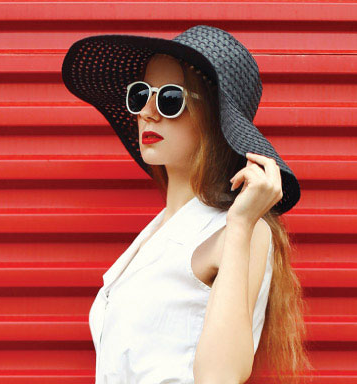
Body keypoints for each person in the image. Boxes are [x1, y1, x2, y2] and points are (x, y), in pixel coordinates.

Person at [62, 25, 311, 384]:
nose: (147, 112)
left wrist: (241, 224)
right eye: (140, 95)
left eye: (169, 99)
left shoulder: (241, 230)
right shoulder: (154, 235)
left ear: (214, 120)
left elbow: (221, 376)